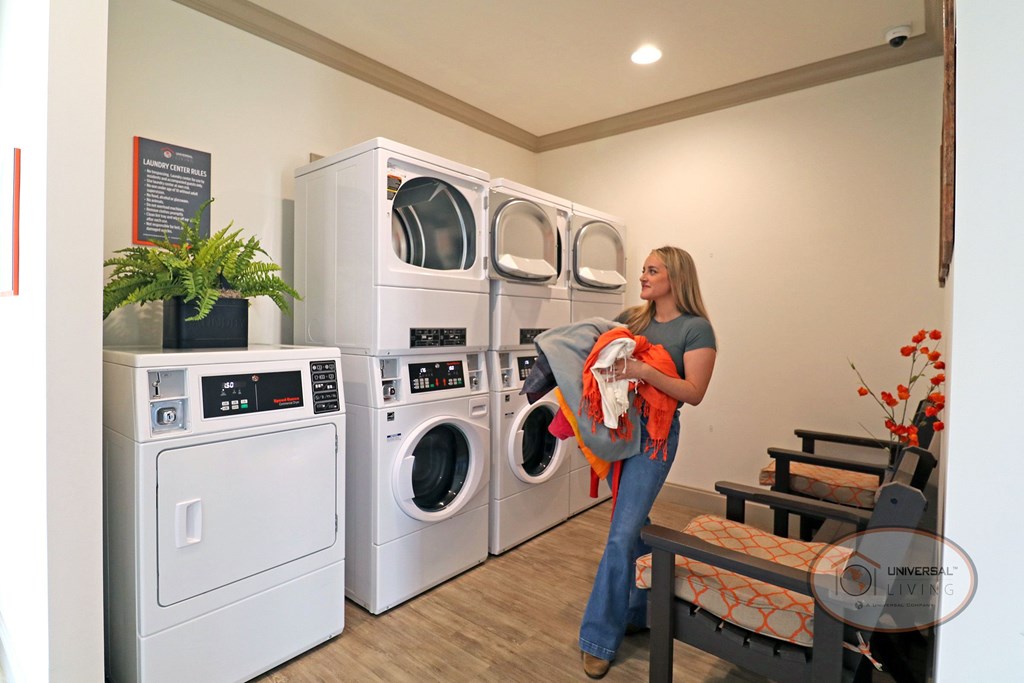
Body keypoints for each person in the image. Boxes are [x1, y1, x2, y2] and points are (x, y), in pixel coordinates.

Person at [579, 246, 717, 679]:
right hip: (618, 427)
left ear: (675, 278)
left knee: (620, 535)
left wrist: (642, 370)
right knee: (633, 524)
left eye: (651, 270)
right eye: (643, 269)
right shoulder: (632, 319)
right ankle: (639, 610)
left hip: (655, 438)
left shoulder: (696, 330)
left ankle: (598, 639)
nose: (642, 276)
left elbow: (693, 392)